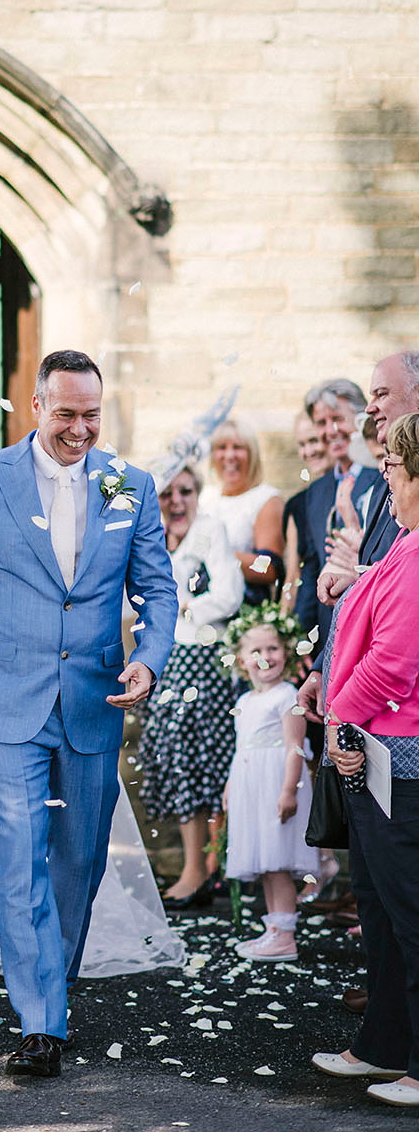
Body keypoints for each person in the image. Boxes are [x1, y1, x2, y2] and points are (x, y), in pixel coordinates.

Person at [0, 350, 179, 1080]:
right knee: (18, 850)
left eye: (92, 416)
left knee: (79, 857)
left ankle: (53, 972)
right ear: (34, 405)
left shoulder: (130, 486)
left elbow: (158, 592)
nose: (80, 429)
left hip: (95, 698)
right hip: (6, 699)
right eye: (66, 414)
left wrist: (148, 656)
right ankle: (42, 1022)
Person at [311, 411, 419, 1106]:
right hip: (376, 751)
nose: (383, 474)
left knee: (409, 910)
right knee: (377, 907)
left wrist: (339, 718)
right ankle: (383, 1045)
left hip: (403, 760)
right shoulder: (406, 543)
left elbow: (397, 661)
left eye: (390, 463)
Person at [138, 458, 244, 909]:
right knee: (175, 759)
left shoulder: (211, 530)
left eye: (185, 491)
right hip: (167, 658)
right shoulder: (150, 537)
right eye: (167, 493)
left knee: (203, 763)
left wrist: (182, 606)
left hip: (204, 657)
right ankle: (197, 867)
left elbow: (229, 595)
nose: (177, 501)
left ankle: (202, 870)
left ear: (197, 493)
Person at [297, 351, 419, 726]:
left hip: (395, 708)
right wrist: (323, 665)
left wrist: (341, 714)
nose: (371, 408)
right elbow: (380, 580)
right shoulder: (387, 476)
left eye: (381, 394)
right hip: (360, 695)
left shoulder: (385, 476)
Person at [222, 605, 318, 962]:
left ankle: (286, 936)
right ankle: (275, 930)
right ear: (242, 659)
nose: (266, 657)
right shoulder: (245, 700)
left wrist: (288, 790)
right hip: (251, 786)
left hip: (277, 783)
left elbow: (296, 747)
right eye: (256, 651)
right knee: (266, 861)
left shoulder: (288, 696)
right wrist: (231, 786)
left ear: (287, 651)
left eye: (273, 648)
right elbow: (242, 747)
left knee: (278, 860)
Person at [293, 379, 382, 648]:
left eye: (338, 419)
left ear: (358, 419)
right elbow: (311, 567)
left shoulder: (383, 476)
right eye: (321, 423)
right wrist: (300, 637)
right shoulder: (316, 491)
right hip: (328, 633)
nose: (330, 431)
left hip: (374, 625)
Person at [199, 418, 284, 605]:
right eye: (221, 447)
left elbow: (270, 570)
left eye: (238, 447)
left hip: (243, 607)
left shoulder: (266, 499)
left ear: (252, 455)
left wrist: (217, 554)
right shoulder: (204, 498)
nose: (229, 455)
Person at [282, 412, 330, 613]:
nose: (308, 451)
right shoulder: (297, 504)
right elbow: (293, 574)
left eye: (314, 441)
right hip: (308, 612)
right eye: (302, 445)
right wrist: (282, 623)